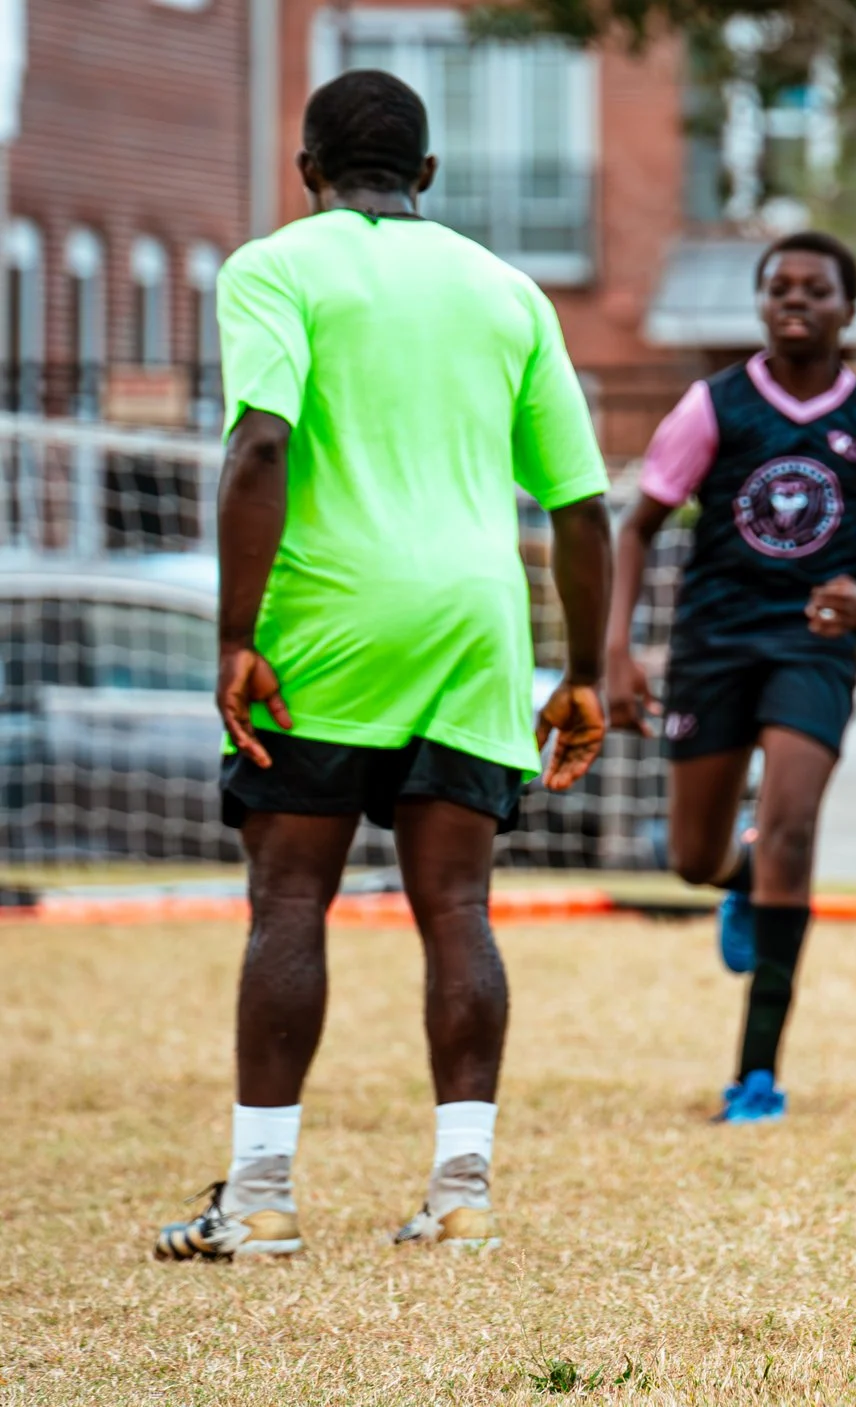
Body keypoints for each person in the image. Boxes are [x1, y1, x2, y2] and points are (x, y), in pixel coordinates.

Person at [155, 70, 613, 1261]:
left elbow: (261, 444)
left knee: (291, 897)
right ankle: (462, 1195)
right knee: (457, 905)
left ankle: (258, 1202)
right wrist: (581, 671)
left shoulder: (275, 266)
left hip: (328, 617)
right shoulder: (507, 290)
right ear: (427, 177)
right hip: (474, 623)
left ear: (306, 170)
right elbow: (579, 505)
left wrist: (234, 638)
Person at [608, 231, 856, 1126]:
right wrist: (617, 651)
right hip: (712, 646)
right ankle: (738, 875)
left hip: (813, 648)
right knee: (692, 859)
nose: (796, 300)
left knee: (791, 827)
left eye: (815, 288)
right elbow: (635, 528)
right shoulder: (713, 406)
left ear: (847, 309)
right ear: (759, 304)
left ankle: (756, 1075)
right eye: (779, 287)